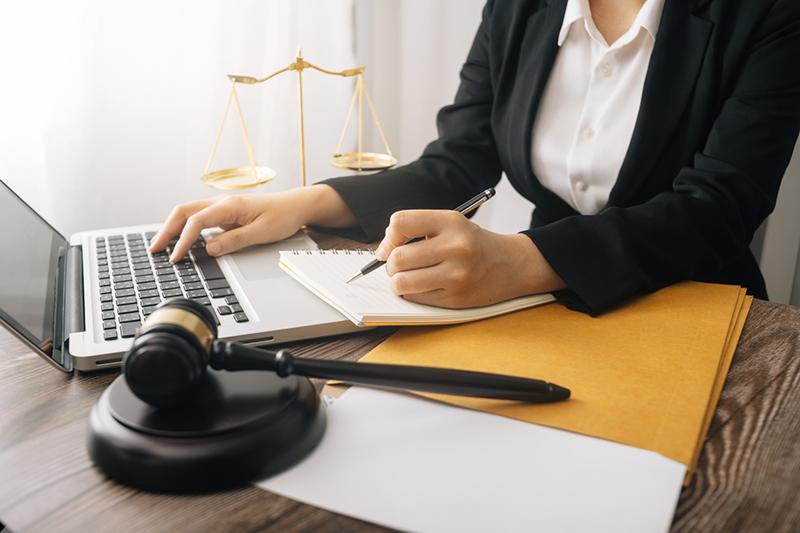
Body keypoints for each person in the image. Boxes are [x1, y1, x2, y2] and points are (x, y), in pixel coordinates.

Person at [151, 0, 800, 315]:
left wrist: (519, 258)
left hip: (692, 298)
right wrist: (296, 204)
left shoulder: (771, 15)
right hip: (543, 302)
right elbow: (460, 159)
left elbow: (717, 207)